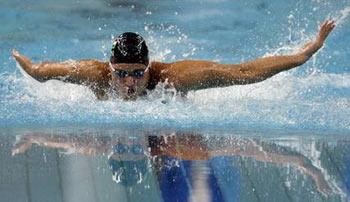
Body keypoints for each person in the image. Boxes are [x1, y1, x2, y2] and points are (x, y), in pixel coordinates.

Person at [12, 20, 336, 100]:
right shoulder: (92, 75)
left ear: (149, 67)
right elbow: (41, 73)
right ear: (109, 68)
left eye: (138, 73)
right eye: (121, 74)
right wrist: (29, 67)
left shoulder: (173, 78)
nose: (129, 82)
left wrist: (304, 54)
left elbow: (245, 72)